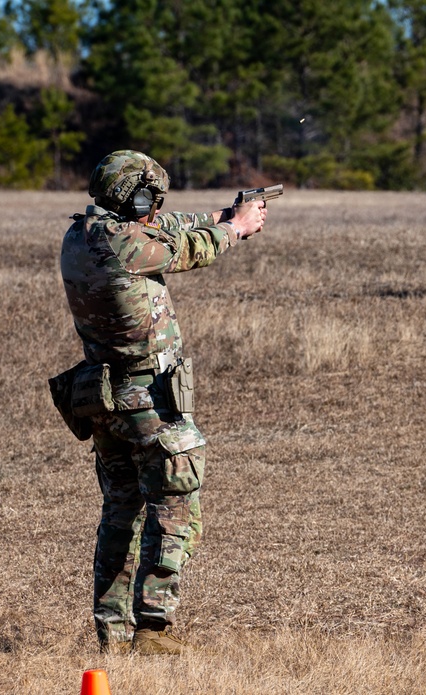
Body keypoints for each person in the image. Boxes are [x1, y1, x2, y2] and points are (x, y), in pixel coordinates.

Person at [59, 150, 267, 655]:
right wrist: (234, 228)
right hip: (148, 397)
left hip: (106, 395)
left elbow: (168, 226)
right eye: (153, 197)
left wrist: (222, 212)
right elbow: (189, 249)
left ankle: (113, 629)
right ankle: (153, 628)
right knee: (175, 508)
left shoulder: (82, 234)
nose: (158, 206)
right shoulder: (126, 244)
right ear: (137, 196)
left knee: (120, 512)